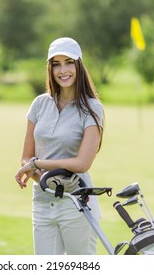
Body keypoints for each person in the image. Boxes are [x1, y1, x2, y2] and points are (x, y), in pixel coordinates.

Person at [14, 37, 104, 255]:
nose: (63, 70)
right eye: (56, 64)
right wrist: (42, 178)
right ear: (50, 69)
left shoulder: (93, 108)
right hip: (43, 202)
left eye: (69, 62)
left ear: (79, 65)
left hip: (78, 202)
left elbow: (82, 163)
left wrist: (38, 165)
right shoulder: (39, 104)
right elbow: (26, 157)